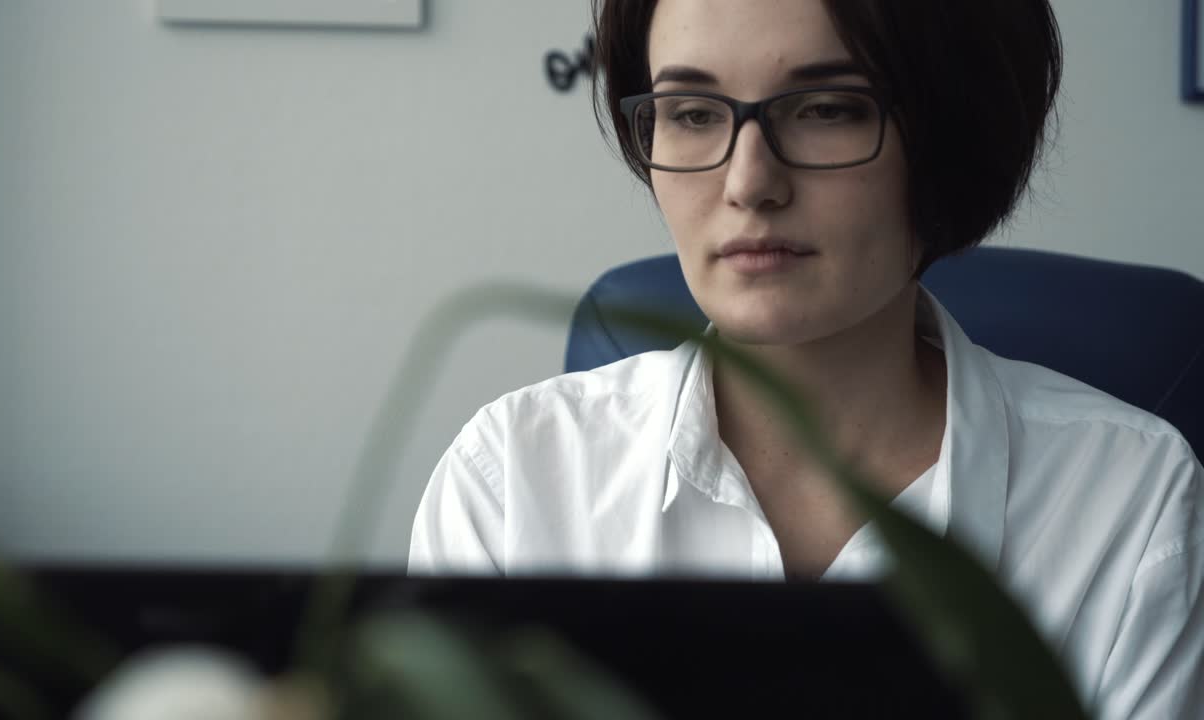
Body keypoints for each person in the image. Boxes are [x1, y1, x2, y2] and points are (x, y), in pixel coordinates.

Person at [409, 0, 1203, 716]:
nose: (750, 182)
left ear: (952, 138)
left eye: (827, 109)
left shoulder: (1131, 505)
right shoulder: (511, 479)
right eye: (691, 112)